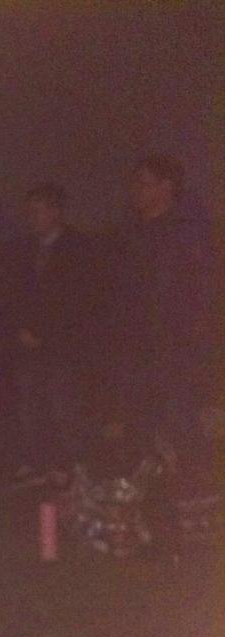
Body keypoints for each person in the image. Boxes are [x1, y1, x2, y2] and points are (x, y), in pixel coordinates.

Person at [107, 154, 221, 554]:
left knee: (182, 434)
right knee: (140, 436)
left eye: (145, 182)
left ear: (166, 186)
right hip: (136, 354)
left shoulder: (190, 234)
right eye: (135, 182)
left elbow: (204, 296)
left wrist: (196, 348)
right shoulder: (129, 233)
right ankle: (148, 524)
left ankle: (196, 523)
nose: (136, 191)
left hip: (176, 353)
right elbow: (119, 295)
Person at [11, 183, 96, 481]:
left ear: (56, 212)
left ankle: (71, 464)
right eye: (29, 211)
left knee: (64, 404)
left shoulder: (79, 248)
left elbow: (78, 300)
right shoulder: (25, 250)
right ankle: (35, 459)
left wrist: (46, 333)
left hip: (63, 342)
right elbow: (16, 293)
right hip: (28, 341)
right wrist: (21, 328)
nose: (32, 218)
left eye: (38, 211)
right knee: (30, 404)